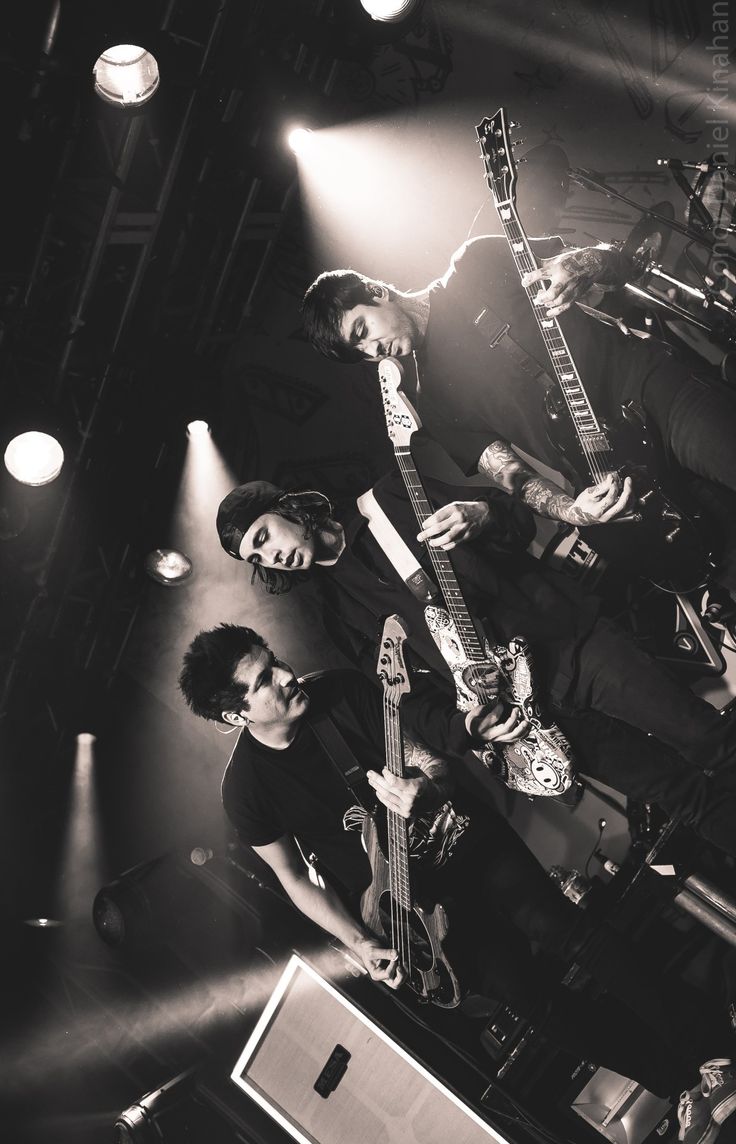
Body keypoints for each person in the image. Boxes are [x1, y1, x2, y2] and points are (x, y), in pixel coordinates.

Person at [178, 621, 736, 1133]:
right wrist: (362, 943)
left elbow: (431, 759)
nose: (285, 674)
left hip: (464, 840)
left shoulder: (342, 692)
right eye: (265, 679)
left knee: (567, 933)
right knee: (537, 1005)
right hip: (410, 912)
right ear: (236, 715)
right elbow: (294, 878)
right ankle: (680, 1080)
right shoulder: (245, 791)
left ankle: (715, 1050)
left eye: (274, 659)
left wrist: (428, 787)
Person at [215, 475, 736, 862]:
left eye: (262, 537)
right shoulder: (338, 615)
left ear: (286, 507)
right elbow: (407, 701)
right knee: (680, 796)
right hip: (536, 718)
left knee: (712, 742)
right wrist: (466, 727)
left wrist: (482, 514)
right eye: (254, 559)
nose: (269, 557)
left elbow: (517, 521)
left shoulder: (391, 499)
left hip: (572, 646)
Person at [300, 238, 736, 599]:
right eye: (358, 353)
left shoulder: (475, 264)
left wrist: (579, 267)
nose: (372, 352)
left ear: (376, 293)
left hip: (652, 393)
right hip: (613, 476)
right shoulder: (426, 399)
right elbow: (512, 475)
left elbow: (616, 261)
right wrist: (574, 511)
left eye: (361, 332)